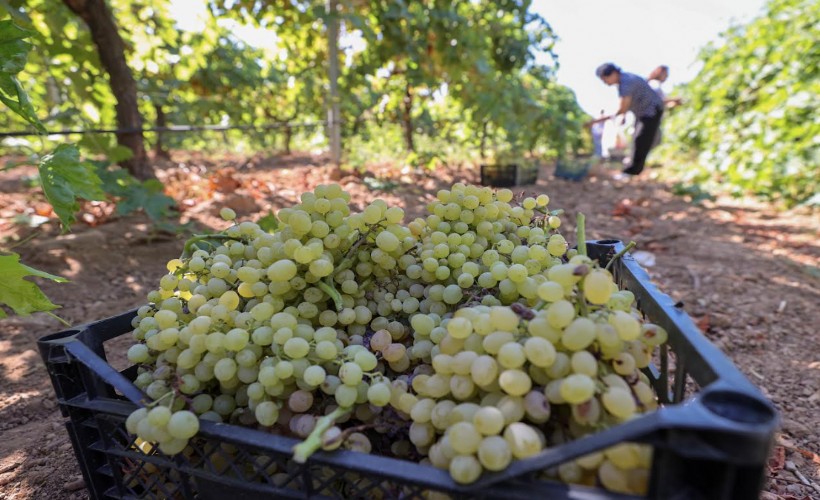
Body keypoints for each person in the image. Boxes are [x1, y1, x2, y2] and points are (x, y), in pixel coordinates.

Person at [592, 63, 664, 176]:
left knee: (641, 138)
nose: (605, 83)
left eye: (605, 79)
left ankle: (633, 170)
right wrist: (623, 115)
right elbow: (626, 104)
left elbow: (623, 106)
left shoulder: (626, 82)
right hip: (642, 113)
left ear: (613, 73)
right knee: (637, 138)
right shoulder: (624, 81)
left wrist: (613, 115)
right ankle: (633, 167)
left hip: (651, 111)